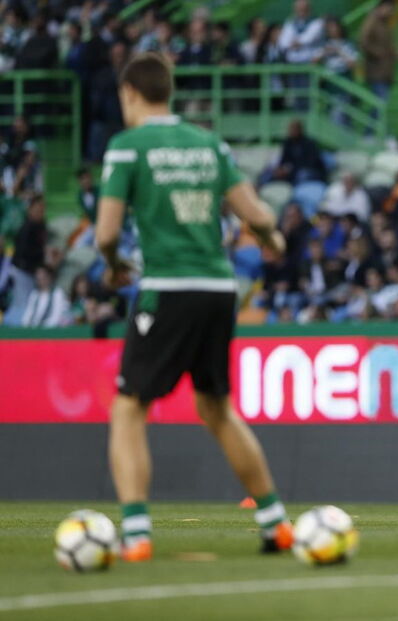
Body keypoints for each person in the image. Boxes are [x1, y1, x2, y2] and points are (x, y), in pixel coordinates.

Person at [95, 52, 293, 562]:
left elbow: (106, 233)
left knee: (128, 407)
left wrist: (115, 263)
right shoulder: (209, 144)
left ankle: (136, 534)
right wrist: (271, 238)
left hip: (169, 287)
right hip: (218, 291)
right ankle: (275, 522)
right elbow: (254, 212)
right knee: (216, 406)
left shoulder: (126, 147)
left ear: (130, 94)